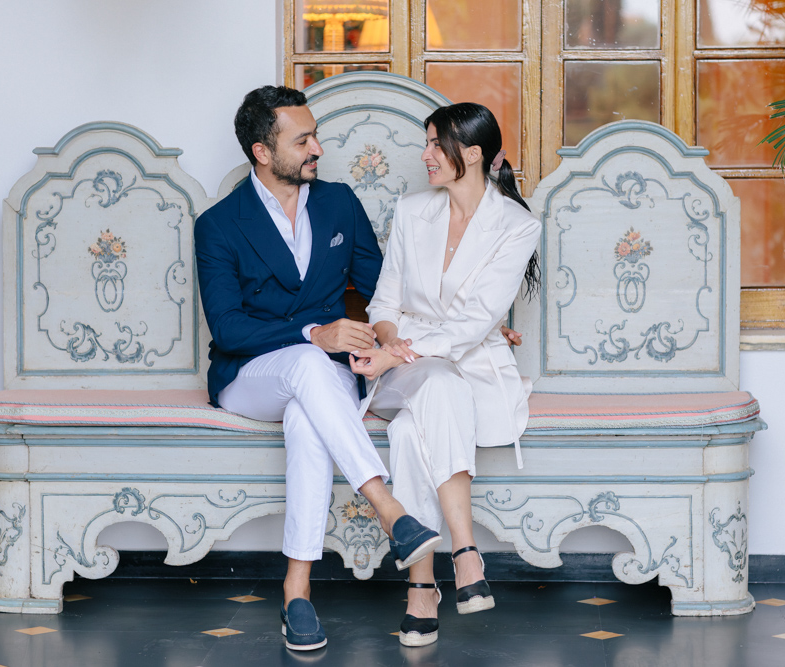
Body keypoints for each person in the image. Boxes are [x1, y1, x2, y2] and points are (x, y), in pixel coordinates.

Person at [193, 85, 444, 652]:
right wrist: (314, 332)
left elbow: (384, 288)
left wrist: (459, 326)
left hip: (323, 376)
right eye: (302, 139)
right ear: (262, 151)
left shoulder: (337, 202)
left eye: (315, 135)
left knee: (308, 420)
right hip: (248, 376)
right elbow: (228, 329)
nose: (318, 148)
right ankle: (391, 510)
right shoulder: (218, 225)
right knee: (307, 359)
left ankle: (297, 594)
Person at [349, 103, 541, 647]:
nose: (426, 154)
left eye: (437, 144)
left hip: (470, 369)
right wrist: (392, 345)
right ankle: (465, 549)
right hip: (407, 369)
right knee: (435, 382)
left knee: (415, 427)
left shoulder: (518, 226)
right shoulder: (413, 211)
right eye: (427, 142)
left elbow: (472, 324)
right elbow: (384, 302)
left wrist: (393, 355)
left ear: (474, 154)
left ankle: (422, 586)